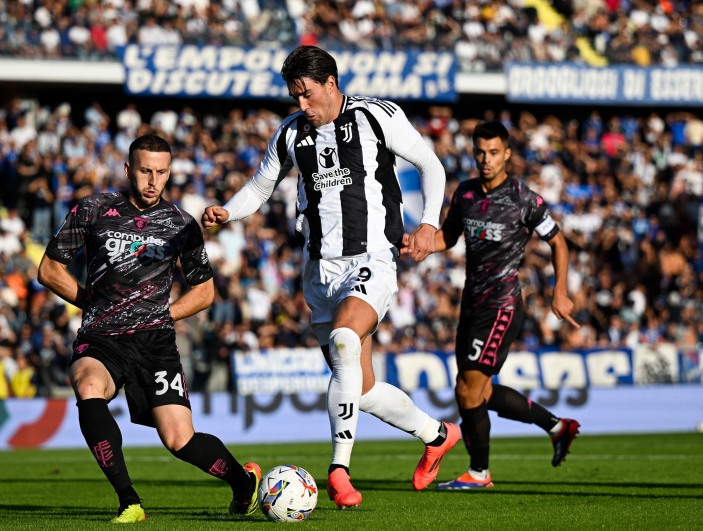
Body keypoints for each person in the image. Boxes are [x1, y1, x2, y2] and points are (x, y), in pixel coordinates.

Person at [202, 45, 460, 508]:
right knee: (358, 387)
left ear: (331, 84)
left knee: (344, 339)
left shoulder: (376, 117)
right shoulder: (290, 134)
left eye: (307, 95)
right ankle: (437, 434)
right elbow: (261, 187)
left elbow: (431, 165)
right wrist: (228, 211)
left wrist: (429, 223)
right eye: (294, 96)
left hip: (372, 258)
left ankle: (338, 471)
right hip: (318, 271)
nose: (301, 105)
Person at [38, 134, 261, 523]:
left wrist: (163, 315)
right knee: (89, 387)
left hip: (155, 342)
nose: (152, 179)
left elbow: (205, 292)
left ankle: (244, 485)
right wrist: (91, 303)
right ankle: (129, 501)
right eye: (144, 170)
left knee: (179, 440)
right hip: (100, 337)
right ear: (128, 169)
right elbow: (49, 270)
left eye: (160, 172)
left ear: (170, 172)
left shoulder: (182, 225)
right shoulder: (92, 209)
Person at [408, 121, 581, 490]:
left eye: (494, 153)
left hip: (501, 305)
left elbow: (559, 241)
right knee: (477, 392)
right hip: (471, 303)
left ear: (507, 154)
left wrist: (560, 290)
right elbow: (448, 238)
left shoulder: (523, 198)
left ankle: (479, 473)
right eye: (480, 152)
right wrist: (422, 244)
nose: (486, 160)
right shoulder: (466, 194)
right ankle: (557, 426)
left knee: (468, 391)